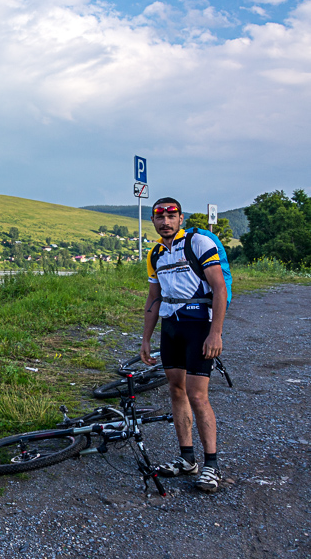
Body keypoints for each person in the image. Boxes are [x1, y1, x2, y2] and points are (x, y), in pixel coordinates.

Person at [140, 197, 228, 492]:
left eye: (171, 216)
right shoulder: (155, 254)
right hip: (171, 327)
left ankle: (211, 466)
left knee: (198, 395)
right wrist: (146, 338)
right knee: (176, 390)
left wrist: (215, 333)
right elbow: (154, 298)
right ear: (153, 221)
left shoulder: (198, 243)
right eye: (159, 217)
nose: (165, 221)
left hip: (198, 325)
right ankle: (186, 459)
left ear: (180, 219)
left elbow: (219, 287)